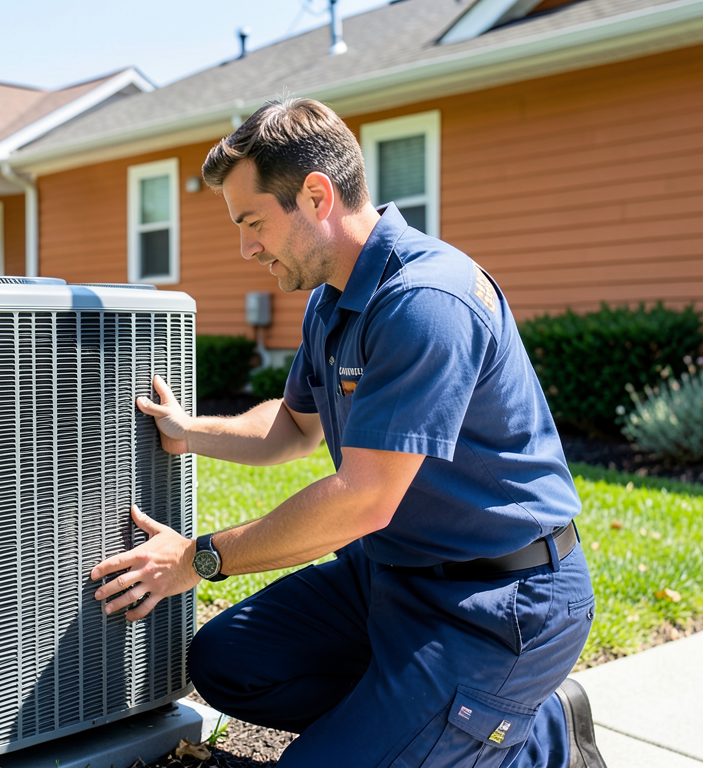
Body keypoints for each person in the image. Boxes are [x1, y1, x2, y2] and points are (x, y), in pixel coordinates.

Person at [90, 97, 607, 768]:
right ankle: (437, 725)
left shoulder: (428, 301)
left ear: (315, 195)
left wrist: (198, 558)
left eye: (252, 222)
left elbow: (363, 500)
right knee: (227, 664)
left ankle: (539, 736)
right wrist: (190, 432)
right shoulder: (332, 300)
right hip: (394, 575)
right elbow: (291, 429)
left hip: (497, 605)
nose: (246, 247)